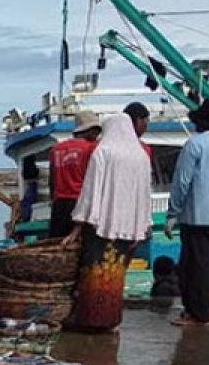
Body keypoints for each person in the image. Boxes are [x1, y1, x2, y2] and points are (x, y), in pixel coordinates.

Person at [62, 115, 152, 332]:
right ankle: (110, 319)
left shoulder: (103, 152)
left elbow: (90, 192)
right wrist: (142, 228)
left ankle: (92, 319)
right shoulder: (141, 156)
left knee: (95, 272)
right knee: (116, 274)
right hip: (128, 228)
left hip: (100, 226)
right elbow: (144, 195)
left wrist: (77, 227)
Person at [166, 97, 209, 326]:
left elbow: (182, 182)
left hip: (196, 216)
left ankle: (198, 314)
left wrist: (172, 213)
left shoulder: (195, 144)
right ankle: (205, 308)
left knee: (194, 267)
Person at [48, 111, 101, 239]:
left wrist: (53, 200)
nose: (97, 135)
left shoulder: (56, 149)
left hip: (59, 206)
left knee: (58, 244)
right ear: (89, 130)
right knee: (85, 247)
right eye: (96, 131)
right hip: (81, 203)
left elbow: (52, 181)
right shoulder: (91, 148)